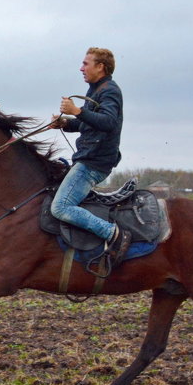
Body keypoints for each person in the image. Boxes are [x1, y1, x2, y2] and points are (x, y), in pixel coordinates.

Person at [50, 47, 131, 266]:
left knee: (60, 207)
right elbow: (90, 122)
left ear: (100, 67)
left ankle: (113, 234)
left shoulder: (109, 91)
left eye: (86, 63)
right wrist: (65, 123)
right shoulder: (97, 90)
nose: (81, 68)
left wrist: (76, 111)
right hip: (89, 158)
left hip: (93, 163)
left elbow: (108, 122)